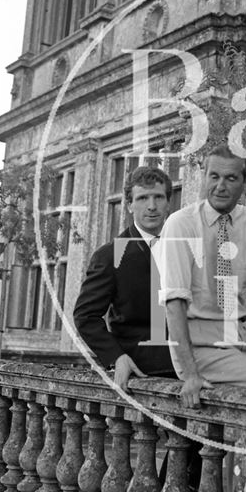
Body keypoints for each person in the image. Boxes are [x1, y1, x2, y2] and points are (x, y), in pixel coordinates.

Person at [159, 145, 246, 408]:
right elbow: (174, 304)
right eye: (214, 176)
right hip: (199, 347)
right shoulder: (179, 224)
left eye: (231, 178)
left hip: (240, 340)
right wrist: (191, 373)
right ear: (204, 175)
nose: (221, 186)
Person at [73, 166, 174, 390]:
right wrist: (116, 357)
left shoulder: (184, 248)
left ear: (169, 202)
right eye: (142, 198)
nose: (151, 206)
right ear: (129, 205)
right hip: (141, 373)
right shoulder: (109, 255)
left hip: (191, 370)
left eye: (158, 197)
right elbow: (85, 316)